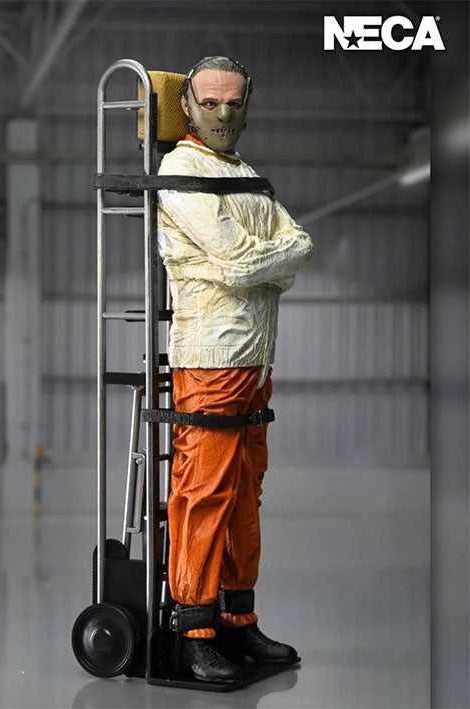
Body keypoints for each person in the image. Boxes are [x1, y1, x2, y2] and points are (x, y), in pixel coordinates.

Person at [157, 56, 314, 683]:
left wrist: (264, 260)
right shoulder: (181, 171)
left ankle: (237, 619)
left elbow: (297, 245)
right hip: (210, 358)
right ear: (187, 107)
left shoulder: (247, 176)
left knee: (246, 492)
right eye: (210, 102)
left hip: (254, 357)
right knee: (204, 492)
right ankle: (194, 630)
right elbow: (240, 261)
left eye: (234, 102)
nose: (223, 113)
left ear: (248, 103)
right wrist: (268, 259)